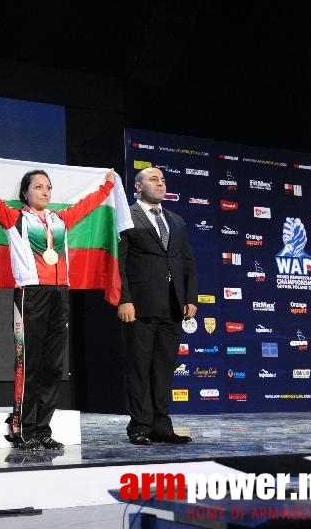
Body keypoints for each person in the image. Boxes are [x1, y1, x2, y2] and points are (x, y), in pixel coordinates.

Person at [0, 153, 116, 451]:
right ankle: (22, 428)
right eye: (38, 187)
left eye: (48, 187)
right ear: (25, 193)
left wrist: (107, 187)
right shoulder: (14, 218)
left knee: (53, 367)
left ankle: (42, 429)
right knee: (29, 364)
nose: (45, 192)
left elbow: (87, 206)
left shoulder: (60, 219)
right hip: (30, 295)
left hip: (59, 294)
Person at [117, 166, 197, 445]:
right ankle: (139, 425)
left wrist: (190, 298)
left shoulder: (176, 220)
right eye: (153, 179)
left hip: (173, 305)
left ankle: (161, 425)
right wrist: (124, 298)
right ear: (138, 187)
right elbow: (119, 263)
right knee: (139, 367)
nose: (160, 184)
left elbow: (187, 262)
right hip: (139, 305)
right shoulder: (127, 215)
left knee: (164, 367)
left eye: (163, 180)